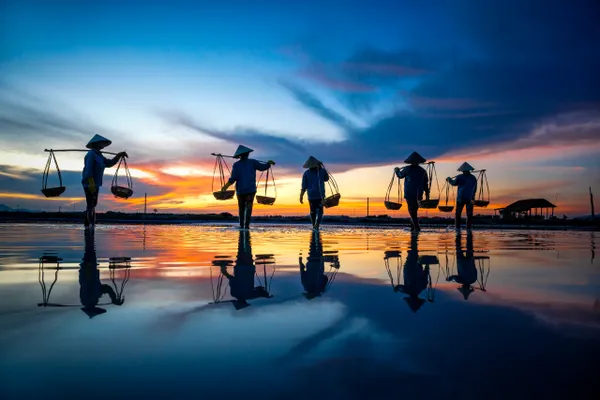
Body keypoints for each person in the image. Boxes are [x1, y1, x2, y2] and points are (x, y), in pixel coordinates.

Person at [221, 145, 275, 230]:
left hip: (241, 191)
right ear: (247, 154)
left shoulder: (236, 165)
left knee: (241, 209)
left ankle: (242, 226)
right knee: (248, 209)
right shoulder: (252, 162)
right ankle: (246, 226)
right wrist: (268, 163)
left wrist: (225, 187)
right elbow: (262, 167)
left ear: (239, 155)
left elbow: (233, 179)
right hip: (250, 190)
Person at [81, 134, 128, 228]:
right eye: (102, 143)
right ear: (97, 144)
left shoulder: (99, 156)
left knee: (93, 203)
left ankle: (90, 225)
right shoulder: (91, 154)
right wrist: (91, 183)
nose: (103, 145)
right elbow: (88, 170)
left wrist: (118, 156)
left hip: (96, 184)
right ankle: (89, 225)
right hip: (89, 183)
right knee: (91, 203)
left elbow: (109, 163)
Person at [220, 231, 272, 309]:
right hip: (240, 268)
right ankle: (244, 234)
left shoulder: (249, 295)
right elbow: (232, 280)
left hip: (248, 269)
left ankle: (245, 234)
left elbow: (261, 292)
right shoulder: (234, 293)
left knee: (247, 250)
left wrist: (266, 295)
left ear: (244, 301)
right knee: (241, 249)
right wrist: (225, 273)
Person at [79, 229, 123, 318]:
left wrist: (88, 267)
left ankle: (88, 231)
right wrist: (113, 299)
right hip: (90, 269)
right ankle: (89, 231)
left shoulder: (89, 299)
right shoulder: (91, 299)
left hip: (89, 269)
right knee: (90, 248)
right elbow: (106, 289)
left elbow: (89, 284)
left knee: (89, 248)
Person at [394, 152, 430, 232]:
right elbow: (425, 185)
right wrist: (427, 194)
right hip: (419, 193)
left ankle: (416, 227)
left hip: (409, 193)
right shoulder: (423, 171)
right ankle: (413, 229)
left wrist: (396, 171)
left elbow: (400, 175)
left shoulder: (407, 169)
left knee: (411, 210)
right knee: (414, 210)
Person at [396, 233, 430, 312]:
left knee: (413, 252)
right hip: (410, 268)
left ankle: (414, 235)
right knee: (412, 252)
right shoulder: (409, 290)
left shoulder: (422, 287)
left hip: (415, 267)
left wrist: (427, 265)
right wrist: (396, 288)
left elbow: (426, 273)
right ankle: (414, 235)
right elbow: (400, 287)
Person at [300, 156, 330, 230]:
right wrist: (323, 168)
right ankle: (317, 224)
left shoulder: (306, 173)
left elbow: (304, 186)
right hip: (320, 195)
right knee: (320, 210)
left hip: (311, 196)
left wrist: (301, 196)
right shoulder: (322, 171)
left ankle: (314, 225)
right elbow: (326, 179)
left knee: (312, 211)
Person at [447, 162, 478, 230]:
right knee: (469, 214)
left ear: (462, 170)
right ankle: (468, 228)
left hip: (461, 198)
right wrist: (473, 195)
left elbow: (454, 183)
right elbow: (475, 189)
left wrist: (449, 179)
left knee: (458, 213)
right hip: (470, 198)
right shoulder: (473, 178)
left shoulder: (460, 177)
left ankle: (457, 227)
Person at [447, 231, 477, 300]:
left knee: (469, 247)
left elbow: (475, 270)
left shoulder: (473, 279)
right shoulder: (460, 280)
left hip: (470, 261)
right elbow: (453, 277)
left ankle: (468, 234)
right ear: (463, 286)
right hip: (461, 261)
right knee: (458, 247)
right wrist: (449, 278)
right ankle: (458, 233)